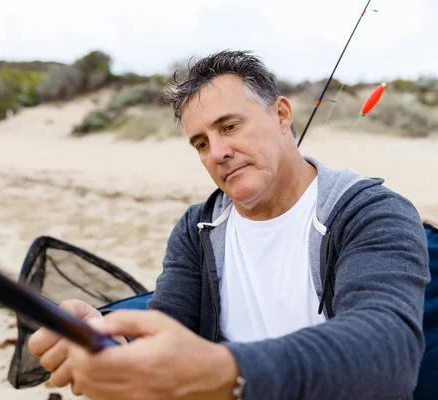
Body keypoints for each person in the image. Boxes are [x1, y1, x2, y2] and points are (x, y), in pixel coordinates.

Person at [28, 50, 430, 399]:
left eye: (230, 126)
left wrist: (227, 371)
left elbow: (388, 350)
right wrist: (114, 342)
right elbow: (169, 328)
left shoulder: (371, 213)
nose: (218, 152)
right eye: (201, 143)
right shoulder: (198, 228)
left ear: (281, 115)